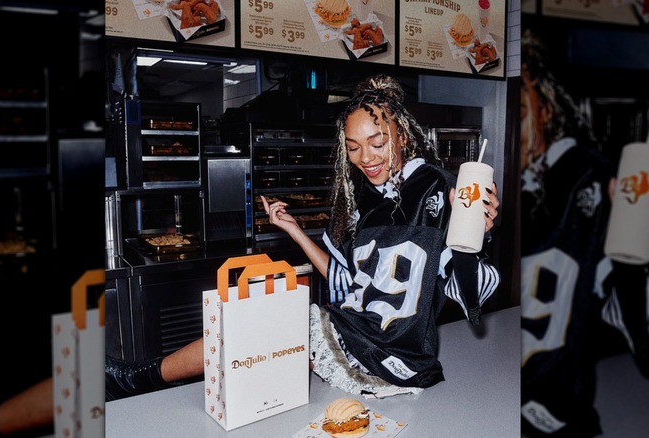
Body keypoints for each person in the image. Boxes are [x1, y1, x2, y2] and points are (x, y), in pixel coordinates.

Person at [107, 74, 501, 400]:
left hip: (392, 353)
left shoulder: (441, 189)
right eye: (353, 148)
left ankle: (139, 378)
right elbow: (346, 284)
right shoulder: (364, 202)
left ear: (402, 135)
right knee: (257, 338)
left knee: (257, 323)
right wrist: (295, 232)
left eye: (377, 142)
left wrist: (472, 239)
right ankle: (141, 379)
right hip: (356, 335)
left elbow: (471, 293)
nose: (366, 157)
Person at [519, 29, 649, 437]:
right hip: (491, 396)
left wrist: (643, 241)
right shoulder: (489, 181)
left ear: (547, 106)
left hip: (560, 405)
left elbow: (627, 308)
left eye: (518, 106)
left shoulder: (588, 173)